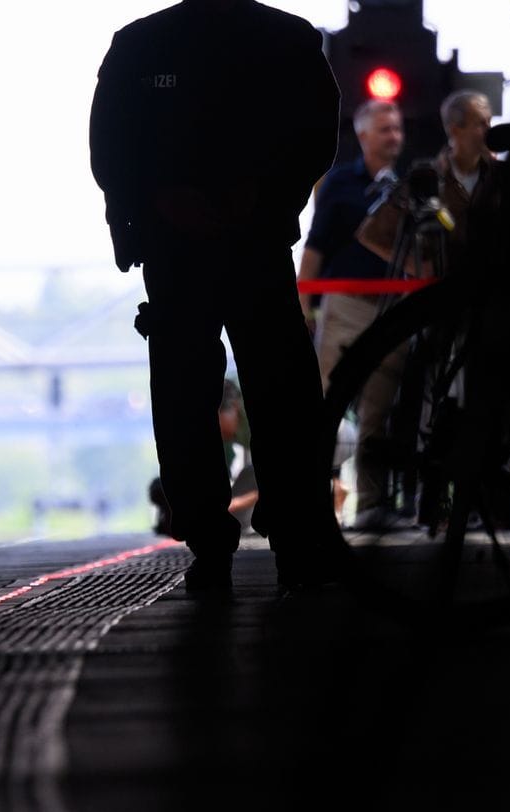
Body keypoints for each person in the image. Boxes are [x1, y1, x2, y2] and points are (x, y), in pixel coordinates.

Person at [90, 0, 340, 590]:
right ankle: (297, 532)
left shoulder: (138, 47)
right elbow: (315, 136)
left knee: (183, 390)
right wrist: (267, 201)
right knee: (281, 387)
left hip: (173, 247)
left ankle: (207, 535)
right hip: (257, 243)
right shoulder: (287, 39)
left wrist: (145, 210)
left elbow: (112, 148)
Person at [358, 90, 510, 476]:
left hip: (502, 300)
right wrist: (423, 268)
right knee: (440, 395)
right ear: (455, 128)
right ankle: (435, 490)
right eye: (480, 122)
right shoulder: (429, 178)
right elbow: (372, 231)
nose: (488, 130)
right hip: (450, 307)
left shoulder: (502, 177)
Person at [299, 99, 405, 527]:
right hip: (343, 307)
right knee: (325, 405)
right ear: (363, 135)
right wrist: (303, 304)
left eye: (397, 128)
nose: (394, 136)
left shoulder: (408, 187)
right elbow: (316, 246)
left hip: (394, 309)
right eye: (384, 129)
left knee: (379, 411)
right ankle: (313, 504)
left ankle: (373, 506)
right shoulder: (339, 185)